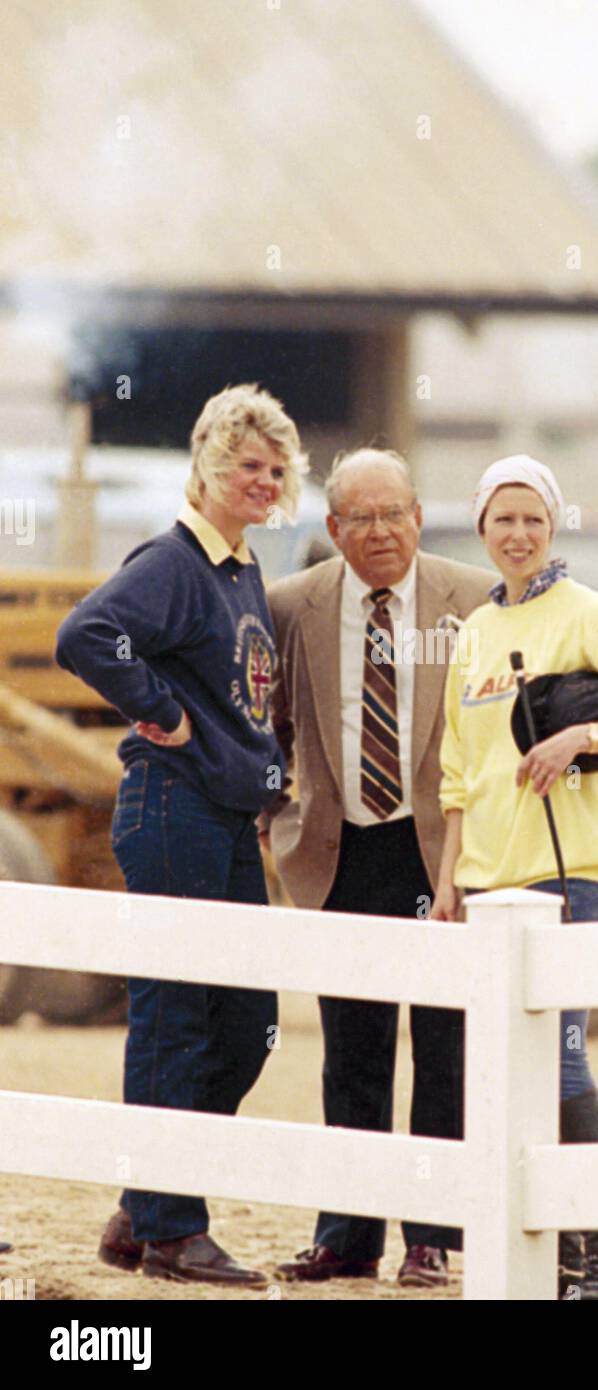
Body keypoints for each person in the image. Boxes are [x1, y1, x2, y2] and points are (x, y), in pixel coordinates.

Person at [55, 384, 307, 1287]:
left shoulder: (240, 570)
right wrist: (161, 715)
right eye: (248, 465)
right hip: (173, 808)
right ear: (207, 463)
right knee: (175, 1013)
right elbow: (87, 633)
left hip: (226, 818)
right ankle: (170, 1230)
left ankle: (143, 1205)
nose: (265, 482)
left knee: (248, 1025)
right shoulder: (173, 561)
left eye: (278, 471)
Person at [432, 454, 598, 1302]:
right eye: (503, 519)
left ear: (553, 529)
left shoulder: (593, 615)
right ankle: (563, 1254)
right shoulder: (472, 634)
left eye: (533, 520)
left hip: (572, 875)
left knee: (563, 1061)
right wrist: (448, 880)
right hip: (488, 888)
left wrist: (580, 740)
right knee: (512, 1069)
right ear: (482, 529)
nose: (517, 535)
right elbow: (458, 776)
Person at [263, 447, 492, 1288]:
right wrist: (274, 818)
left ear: (419, 516)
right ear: (333, 528)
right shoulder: (292, 606)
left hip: (443, 852)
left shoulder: (472, 598)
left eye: (394, 512)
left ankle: (430, 1237)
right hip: (342, 851)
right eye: (360, 517)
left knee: (445, 1047)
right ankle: (346, 1236)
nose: (381, 530)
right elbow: (267, 726)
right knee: (351, 1050)